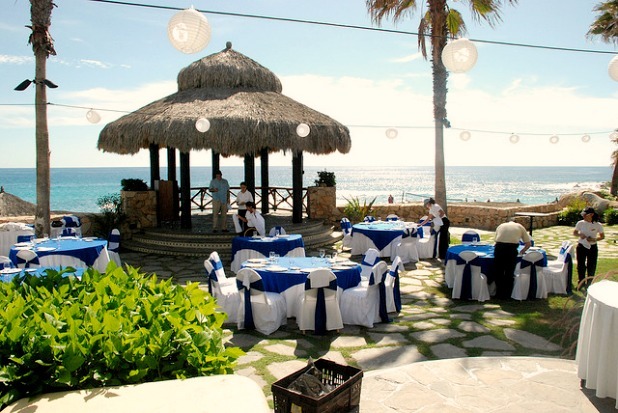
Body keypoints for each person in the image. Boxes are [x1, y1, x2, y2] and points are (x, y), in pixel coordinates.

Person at [493, 219, 531, 299]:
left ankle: (499, 293)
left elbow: (496, 241)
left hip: (499, 248)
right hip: (511, 249)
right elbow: (528, 243)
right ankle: (507, 294)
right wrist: (522, 251)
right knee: (509, 272)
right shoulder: (520, 226)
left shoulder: (501, 226)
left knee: (498, 271)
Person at [573, 207, 604, 287]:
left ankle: (590, 283)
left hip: (592, 247)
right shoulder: (580, 223)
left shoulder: (598, 225)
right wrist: (580, 235)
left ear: (591, 215)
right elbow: (575, 232)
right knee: (580, 265)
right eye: (583, 215)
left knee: (592, 265)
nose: (583, 216)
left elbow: (602, 236)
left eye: (585, 215)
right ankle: (581, 282)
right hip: (581, 246)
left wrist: (594, 239)